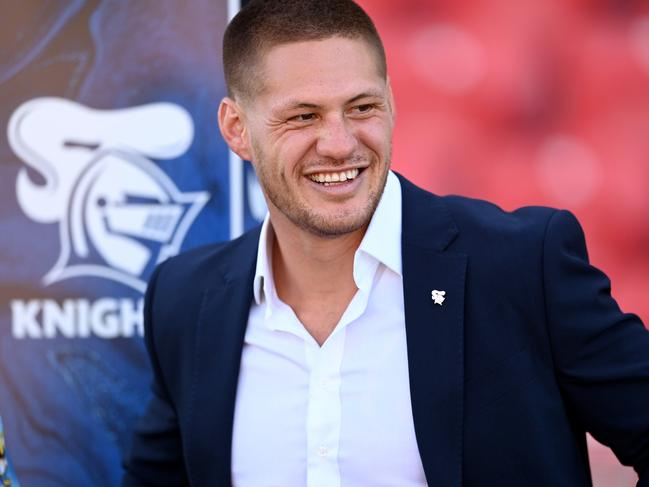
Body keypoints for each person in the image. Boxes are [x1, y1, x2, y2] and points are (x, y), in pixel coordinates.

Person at [122, 0, 649, 486]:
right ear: (237, 129)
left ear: (392, 103)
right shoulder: (185, 299)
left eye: (361, 108)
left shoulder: (522, 265)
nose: (340, 143)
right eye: (303, 116)